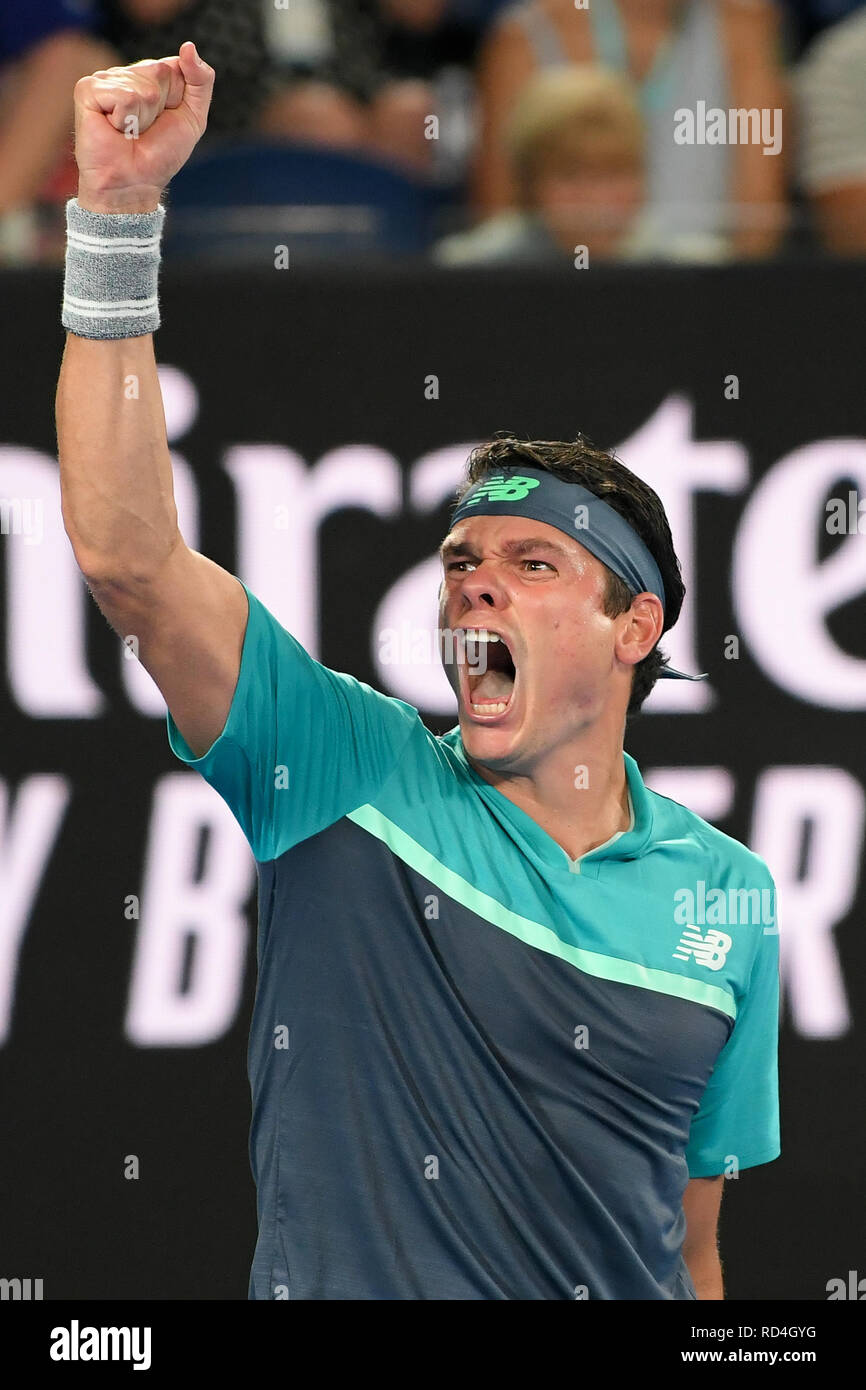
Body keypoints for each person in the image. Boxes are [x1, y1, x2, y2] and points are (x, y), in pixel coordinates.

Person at [55, 45, 781, 1300]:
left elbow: (693, 1251)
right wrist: (117, 219)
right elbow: (126, 556)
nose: (472, 583)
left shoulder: (730, 897)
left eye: (532, 561)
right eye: (459, 561)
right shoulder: (343, 763)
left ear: (635, 626)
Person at [471, 0, 789, 258]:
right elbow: (502, 215)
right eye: (575, 174)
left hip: (700, 306)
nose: (596, 196)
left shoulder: (750, 27)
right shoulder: (522, 35)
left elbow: (758, 228)